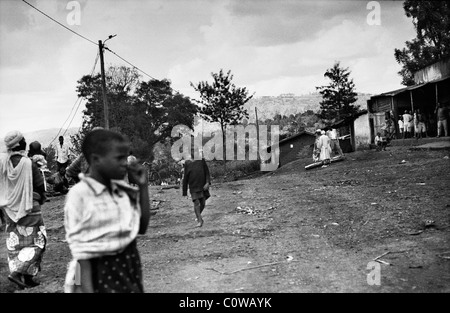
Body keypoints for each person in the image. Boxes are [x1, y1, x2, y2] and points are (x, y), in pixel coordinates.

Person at [63, 129, 150, 293]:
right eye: (119, 158)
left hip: (128, 273)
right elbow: (83, 258)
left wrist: (143, 187)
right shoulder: (80, 195)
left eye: (126, 157)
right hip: (99, 277)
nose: (125, 163)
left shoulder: (121, 190)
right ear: (96, 160)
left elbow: (141, 227)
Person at [0, 131, 47, 289]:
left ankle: (25, 279)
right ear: (20, 144)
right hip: (29, 207)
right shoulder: (28, 163)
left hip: (9, 208)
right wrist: (41, 197)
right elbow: (40, 184)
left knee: (16, 242)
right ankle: (17, 273)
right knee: (38, 240)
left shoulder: (3, 162)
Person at [182, 157, 211, 228]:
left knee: (203, 203)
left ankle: (198, 216)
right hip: (193, 186)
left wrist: (207, 182)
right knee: (196, 202)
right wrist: (184, 191)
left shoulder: (201, 161)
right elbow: (185, 178)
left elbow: (207, 172)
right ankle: (199, 220)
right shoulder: (187, 163)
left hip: (202, 185)